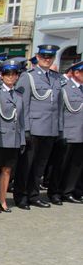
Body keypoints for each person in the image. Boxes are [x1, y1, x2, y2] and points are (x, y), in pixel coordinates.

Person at [14, 44, 64, 210]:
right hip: (34, 127)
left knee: (40, 165)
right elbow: (23, 105)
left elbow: (59, 106)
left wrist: (59, 129)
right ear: (38, 56)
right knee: (26, 165)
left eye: (50, 56)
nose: (47, 59)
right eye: (44, 56)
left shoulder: (57, 78)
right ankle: (21, 196)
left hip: (50, 129)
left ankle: (33, 194)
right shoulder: (28, 77)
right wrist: (25, 129)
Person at [0, 59, 25, 213]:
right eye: (7, 74)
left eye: (14, 74)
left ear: (17, 76)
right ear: (1, 76)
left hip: (14, 138)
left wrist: (22, 140)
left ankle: (3, 199)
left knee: (7, 170)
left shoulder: (19, 95)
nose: (10, 77)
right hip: (0, 136)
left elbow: (21, 120)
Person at [47, 60, 83, 204]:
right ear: (75, 73)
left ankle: (69, 191)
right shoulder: (64, 88)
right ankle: (55, 192)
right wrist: (59, 132)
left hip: (80, 134)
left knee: (76, 166)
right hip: (67, 133)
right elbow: (58, 111)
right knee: (60, 165)